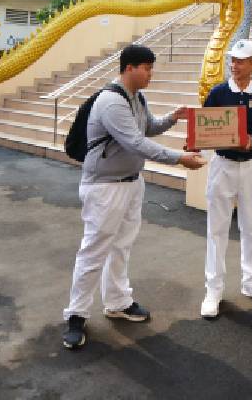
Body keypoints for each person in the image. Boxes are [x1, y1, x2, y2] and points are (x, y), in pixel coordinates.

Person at [59, 44, 205, 349]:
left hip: (130, 183)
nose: (151, 73)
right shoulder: (111, 101)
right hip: (105, 187)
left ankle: (118, 301)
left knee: (122, 247)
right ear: (129, 68)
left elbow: (147, 127)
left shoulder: (137, 97)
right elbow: (135, 142)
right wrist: (180, 158)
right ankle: (76, 315)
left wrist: (172, 118)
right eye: (147, 68)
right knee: (94, 250)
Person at [199, 39, 252, 319]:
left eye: (241, 60)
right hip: (223, 166)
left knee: (250, 227)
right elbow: (205, 123)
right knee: (217, 230)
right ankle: (213, 289)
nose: (234, 64)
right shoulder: (219, 92)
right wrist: (196, 145)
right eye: (232, 59)